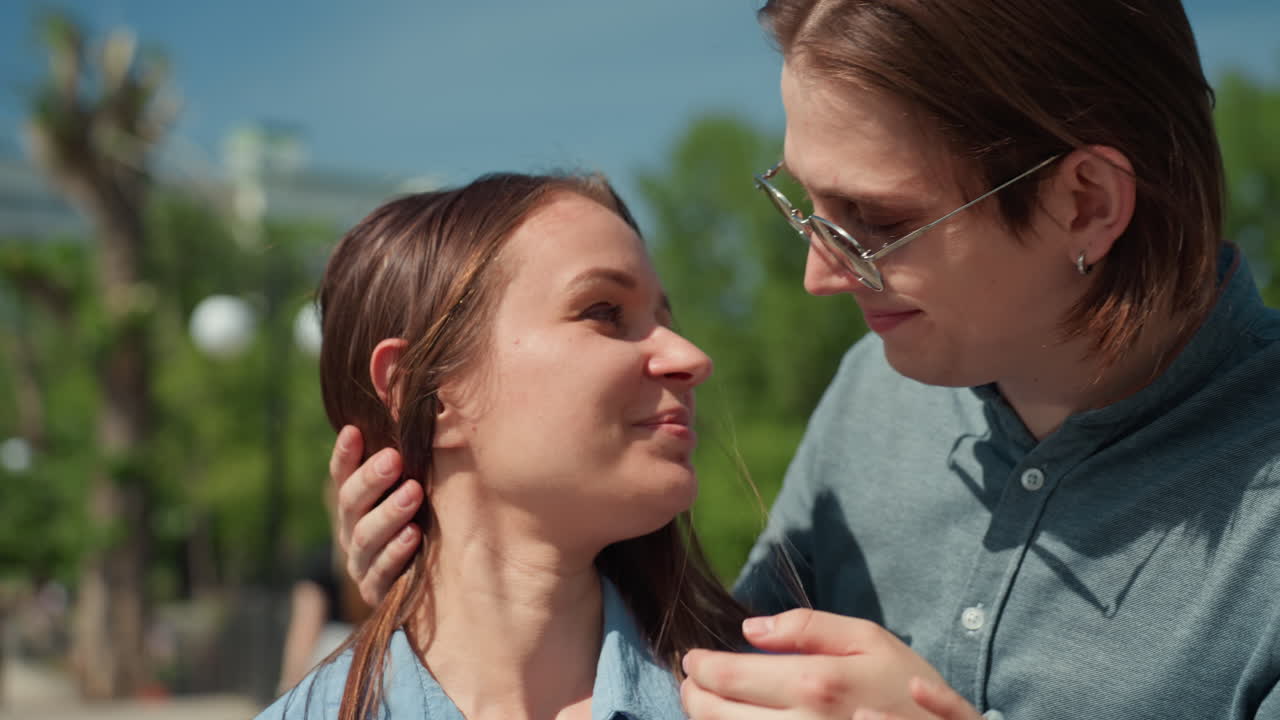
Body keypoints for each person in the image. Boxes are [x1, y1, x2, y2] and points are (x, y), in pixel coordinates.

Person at [328, 1, 1280, 718]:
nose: (820, 275)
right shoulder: (876, 391)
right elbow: (719, 656)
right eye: (803, 203)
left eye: (876, 221)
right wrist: (454, 596)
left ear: (1086, 204)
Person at [259, 172, 752, 719]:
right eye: (604, 312)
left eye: (663, 319)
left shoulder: (781, 702)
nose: (690, 357)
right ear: (428, 391)